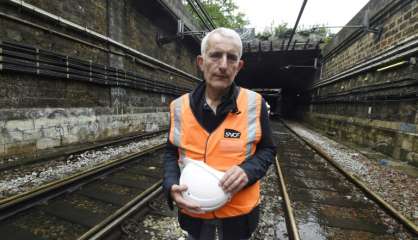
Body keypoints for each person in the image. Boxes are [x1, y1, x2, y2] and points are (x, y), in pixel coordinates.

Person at [163, 27, 276, 240]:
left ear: (239, 66)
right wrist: (170, 186)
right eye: (215, 55)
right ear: (201, 62)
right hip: (193, 212)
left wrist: (247, 171)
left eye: (231, 58)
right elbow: (171, 152)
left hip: (239, 217)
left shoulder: (254, 103)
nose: (223, 65)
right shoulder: (179, 107)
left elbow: (268, 149)